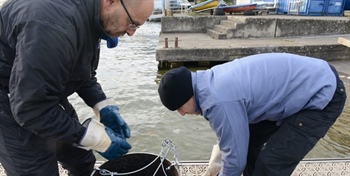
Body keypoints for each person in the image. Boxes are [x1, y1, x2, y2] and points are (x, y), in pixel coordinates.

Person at [0, 0, 154, 175]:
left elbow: (81, 71)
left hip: (41, 91)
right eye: (132, 23)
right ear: (110, 2)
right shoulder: (53, 26)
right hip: (10, 99)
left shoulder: (91, 17)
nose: (131, 32)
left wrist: (103, 106)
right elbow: (31, 109)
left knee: (81, 159)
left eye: (137, 27)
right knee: (37, 169)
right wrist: (96, 138)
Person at [158, 53, 347, 176]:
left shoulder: (218, 101)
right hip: (301, 85)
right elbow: (236, 147)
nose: (182, 114)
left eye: (179, 107)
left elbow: (234, 164)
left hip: (322, 93)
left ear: (187, 95)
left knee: (270, 165)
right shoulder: (207, 81)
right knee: (247, 145)